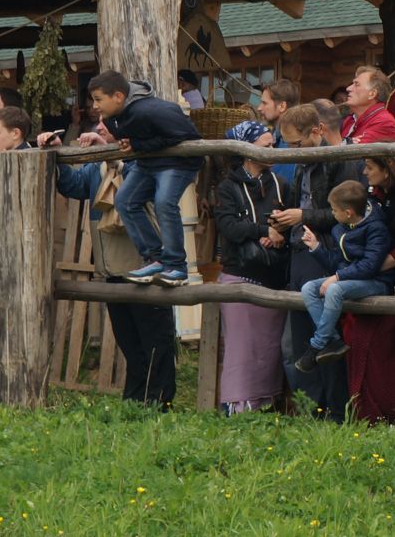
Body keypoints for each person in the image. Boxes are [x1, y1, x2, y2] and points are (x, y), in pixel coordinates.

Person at [51, 155, 176, 406]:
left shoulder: (145, 163)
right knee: (130, 345)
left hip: (146, 272)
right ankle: (134, 401)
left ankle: (160, 403)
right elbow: (73, 185)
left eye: (107, 124)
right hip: (113, 273)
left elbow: (151, 185)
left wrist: (121, 163)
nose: (100, 127)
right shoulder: (97, 167)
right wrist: (59, 159)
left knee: (156, 345)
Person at [271, 102, 362, 420]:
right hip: (299, 251)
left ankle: (336, 410)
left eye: (297, 143)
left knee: (324, 334)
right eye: (289, 144)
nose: (293, 150)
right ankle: (311, 408)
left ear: (317, 131)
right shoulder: (302, 162)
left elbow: (345, 215)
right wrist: (285, 219)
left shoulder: (339, 161)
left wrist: (303, 215)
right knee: (299, 337)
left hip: (324, 253)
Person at [85, 71, 200, 288]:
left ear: (118, 96)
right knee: (125, 200)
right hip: (148, 163)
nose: (94, 106)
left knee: (164, 202)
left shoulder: (152, 110)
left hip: (178, 162)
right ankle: (155, 258)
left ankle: (176, 266)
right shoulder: (112, 119)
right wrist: (135, 144)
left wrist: (138, 145)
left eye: (98, 99)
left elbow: (186, 136)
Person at [345, 154, 395, 422]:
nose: (365, 172)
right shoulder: (378, 198)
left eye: (369, 167)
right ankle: (367, 411)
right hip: (380, 279)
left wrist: (374, 266)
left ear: (387, 170)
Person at [214, 147, 291, 413]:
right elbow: (228, 226)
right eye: (265, 145)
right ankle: (236, 409)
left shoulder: (281, 185)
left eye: (272, 145)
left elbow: (291, 223)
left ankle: (264, 408)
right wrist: (261, 230)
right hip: (241, 275)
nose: (272, 150)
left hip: (273, 277)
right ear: (246, 151)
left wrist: (279, 232)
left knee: (268, 351)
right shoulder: (227, 187)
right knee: (241, 350)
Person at [293, 180, 391, 372]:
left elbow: (370, 266)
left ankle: (317, 345)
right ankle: (333, 341)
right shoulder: (341, 228)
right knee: (308, 288)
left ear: (348, 213)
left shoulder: (376, 228)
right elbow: (337, 262)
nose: (332, 213)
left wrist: (337, 277)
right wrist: (317, 247)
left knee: (335, 289)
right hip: (351, 279)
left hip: (377, 282)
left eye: (334, 210)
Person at [340, 67, 395, 144]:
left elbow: (353, 153)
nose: (348, 88)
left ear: (372, 94)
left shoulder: (385, 123)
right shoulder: (349, 120)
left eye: (357, 84)